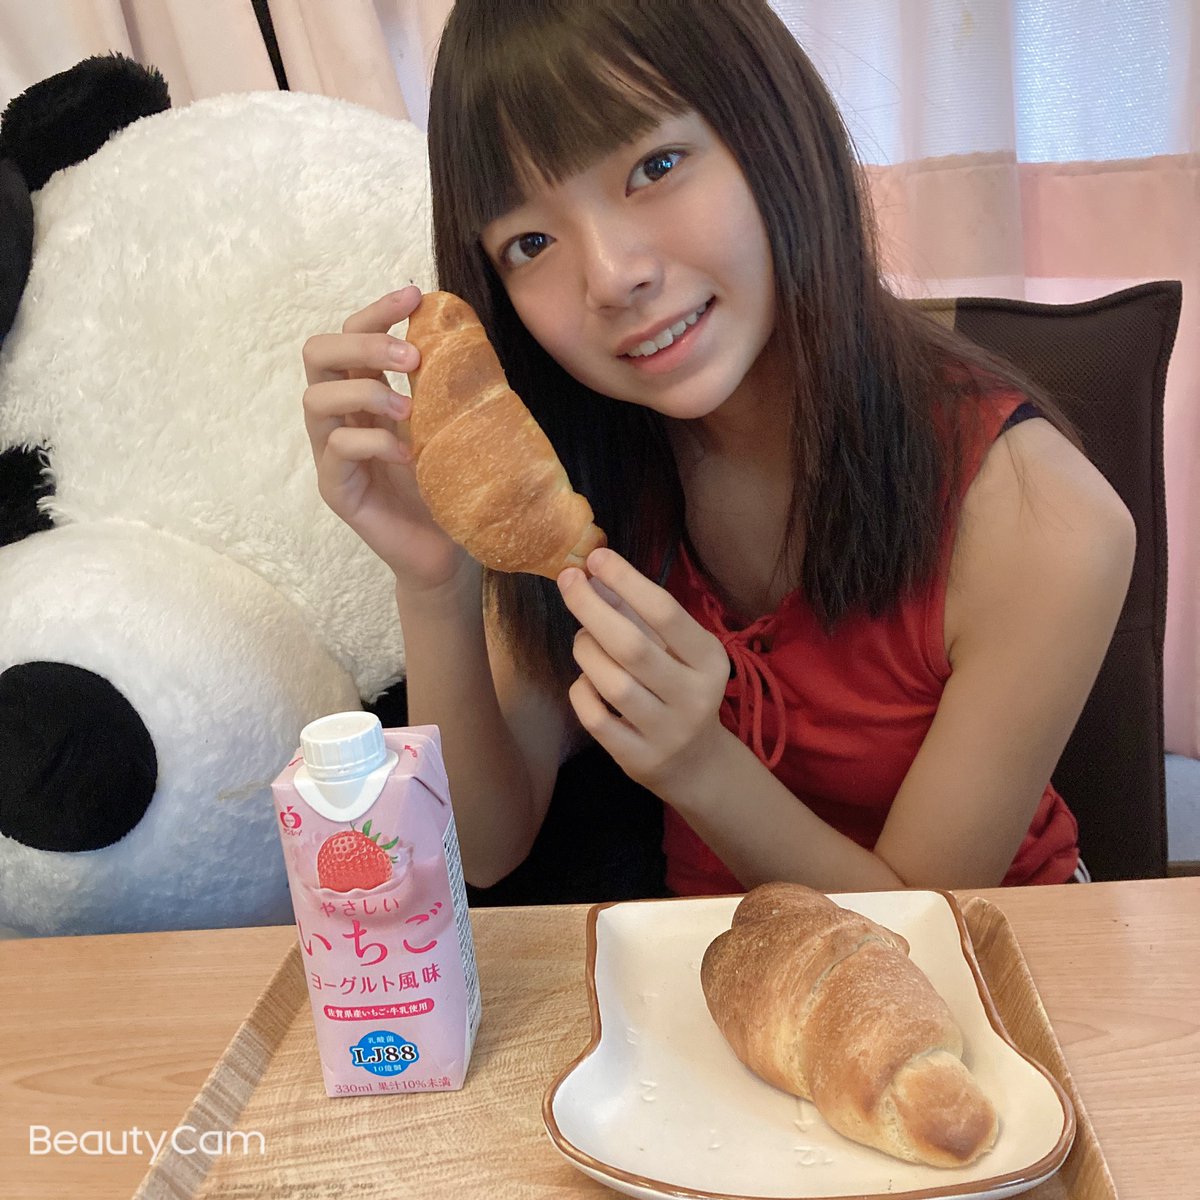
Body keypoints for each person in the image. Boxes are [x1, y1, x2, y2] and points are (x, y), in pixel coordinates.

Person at [302, 0, 1134, 894]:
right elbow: (485, 843)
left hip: (979, 957)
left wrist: (700, 766)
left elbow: (918, 937)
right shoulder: (582, 470)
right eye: (530, 241)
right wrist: (435, 585)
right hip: (703, 961)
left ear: (774, 129)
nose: (613, 277)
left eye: (655, 166)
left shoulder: (1044, 520)